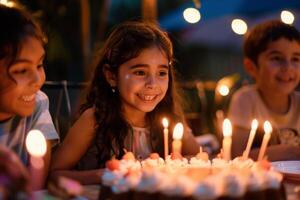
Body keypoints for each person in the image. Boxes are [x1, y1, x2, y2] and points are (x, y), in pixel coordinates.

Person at [50, 21, 199, 184]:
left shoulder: (171, 119)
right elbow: (54, 174)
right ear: (111, 76)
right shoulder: (95, 119)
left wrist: (175, 166)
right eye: (140, 72)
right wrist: (103, 175)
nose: (153, 84)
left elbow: (200, 159)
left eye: (162, 73)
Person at [0, 5, 59, 189]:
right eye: (22, 70)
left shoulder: (38, 104)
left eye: (39, 65)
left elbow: (34, 189)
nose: (38, 80)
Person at [228, 20, 300, 161]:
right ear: (251, 67)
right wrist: (292, 151)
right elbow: (237, 155)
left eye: (296, 59)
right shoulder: (245, 100)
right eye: (277, 58)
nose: (288, 67)